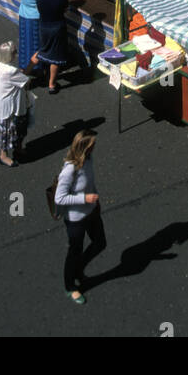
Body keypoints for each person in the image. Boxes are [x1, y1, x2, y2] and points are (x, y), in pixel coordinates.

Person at [55, 129, 106, 305]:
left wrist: (95, 201)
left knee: (100, 243)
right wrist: (84, 198)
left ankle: (78, 269)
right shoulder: (70, 169)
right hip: (75, 218)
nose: (95, 147)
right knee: (74, 252)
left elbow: (90, 184)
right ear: (85, 147)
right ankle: (70, 286)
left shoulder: (89, 160)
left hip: (91, 211)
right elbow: (59, 197)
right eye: (93, 144)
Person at [0, 41, 36, 167]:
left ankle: (15, 150)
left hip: (4, 105)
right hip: (11, 107)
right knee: (10, 130)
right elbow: (26, 81)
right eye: (14, 52)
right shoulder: (10, 71)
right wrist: (32, 63)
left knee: (11, 130)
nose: (16, 54)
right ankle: (4, 156)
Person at [33, 0, 70, 93]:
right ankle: (52, 84)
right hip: (57, 29)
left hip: (43, 27)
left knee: (42, 50)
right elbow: (65, 10)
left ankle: (25, 74)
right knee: (55, 56)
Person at [18, 0, 43, 73]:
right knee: (36, 43)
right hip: (35, 16)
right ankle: (36, 67)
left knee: (24, 42)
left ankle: (24, 64)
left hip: (23, 14)